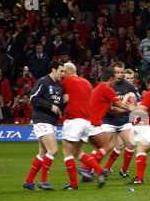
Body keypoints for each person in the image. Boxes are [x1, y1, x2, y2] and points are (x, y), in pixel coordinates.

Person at [59, 62, 112, 190]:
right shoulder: (87, 83)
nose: (61, 75)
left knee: (67, 153)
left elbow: (59, 97)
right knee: (78, 152)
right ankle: (100, 171)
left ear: (67, 72)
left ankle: (73, 184)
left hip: (74, 119)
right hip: (86, 122)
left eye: (62, 73)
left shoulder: (66, 82)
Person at [77, 68, 130, 182]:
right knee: (108, 147)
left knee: (98, 149)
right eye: (114, 80)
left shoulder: (100, 88)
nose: (115, 83)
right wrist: (132, 107)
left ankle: (87, 175)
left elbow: (111, 110)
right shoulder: (107, 88)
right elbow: (120, 104)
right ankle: (85, 168)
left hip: (88, 122)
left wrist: (126, 110)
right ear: (110, 79)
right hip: (93, 123)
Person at [23, 61, 65, 191]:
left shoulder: (58, 86)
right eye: (61, 71)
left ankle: (29, 181)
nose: (62, 74)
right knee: (53, 150)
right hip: (42, 120)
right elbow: (34, 98)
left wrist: (64, 104)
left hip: (51, 121)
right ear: (53, 70)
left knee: (43, 152)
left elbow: (57, 106)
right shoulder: (43, 81)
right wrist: (50, 107)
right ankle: (43, 180)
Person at [102, 62, 142, 178]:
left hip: (124, 120)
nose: (119, 75)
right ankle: (93, 167)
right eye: (117, 72)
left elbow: (138, 100)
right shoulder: (108, 85)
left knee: (130, 145)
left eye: (121, 72)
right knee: (107, 146)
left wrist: (136, 106)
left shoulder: (128, 86)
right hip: (109, 119)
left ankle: (123, 169)